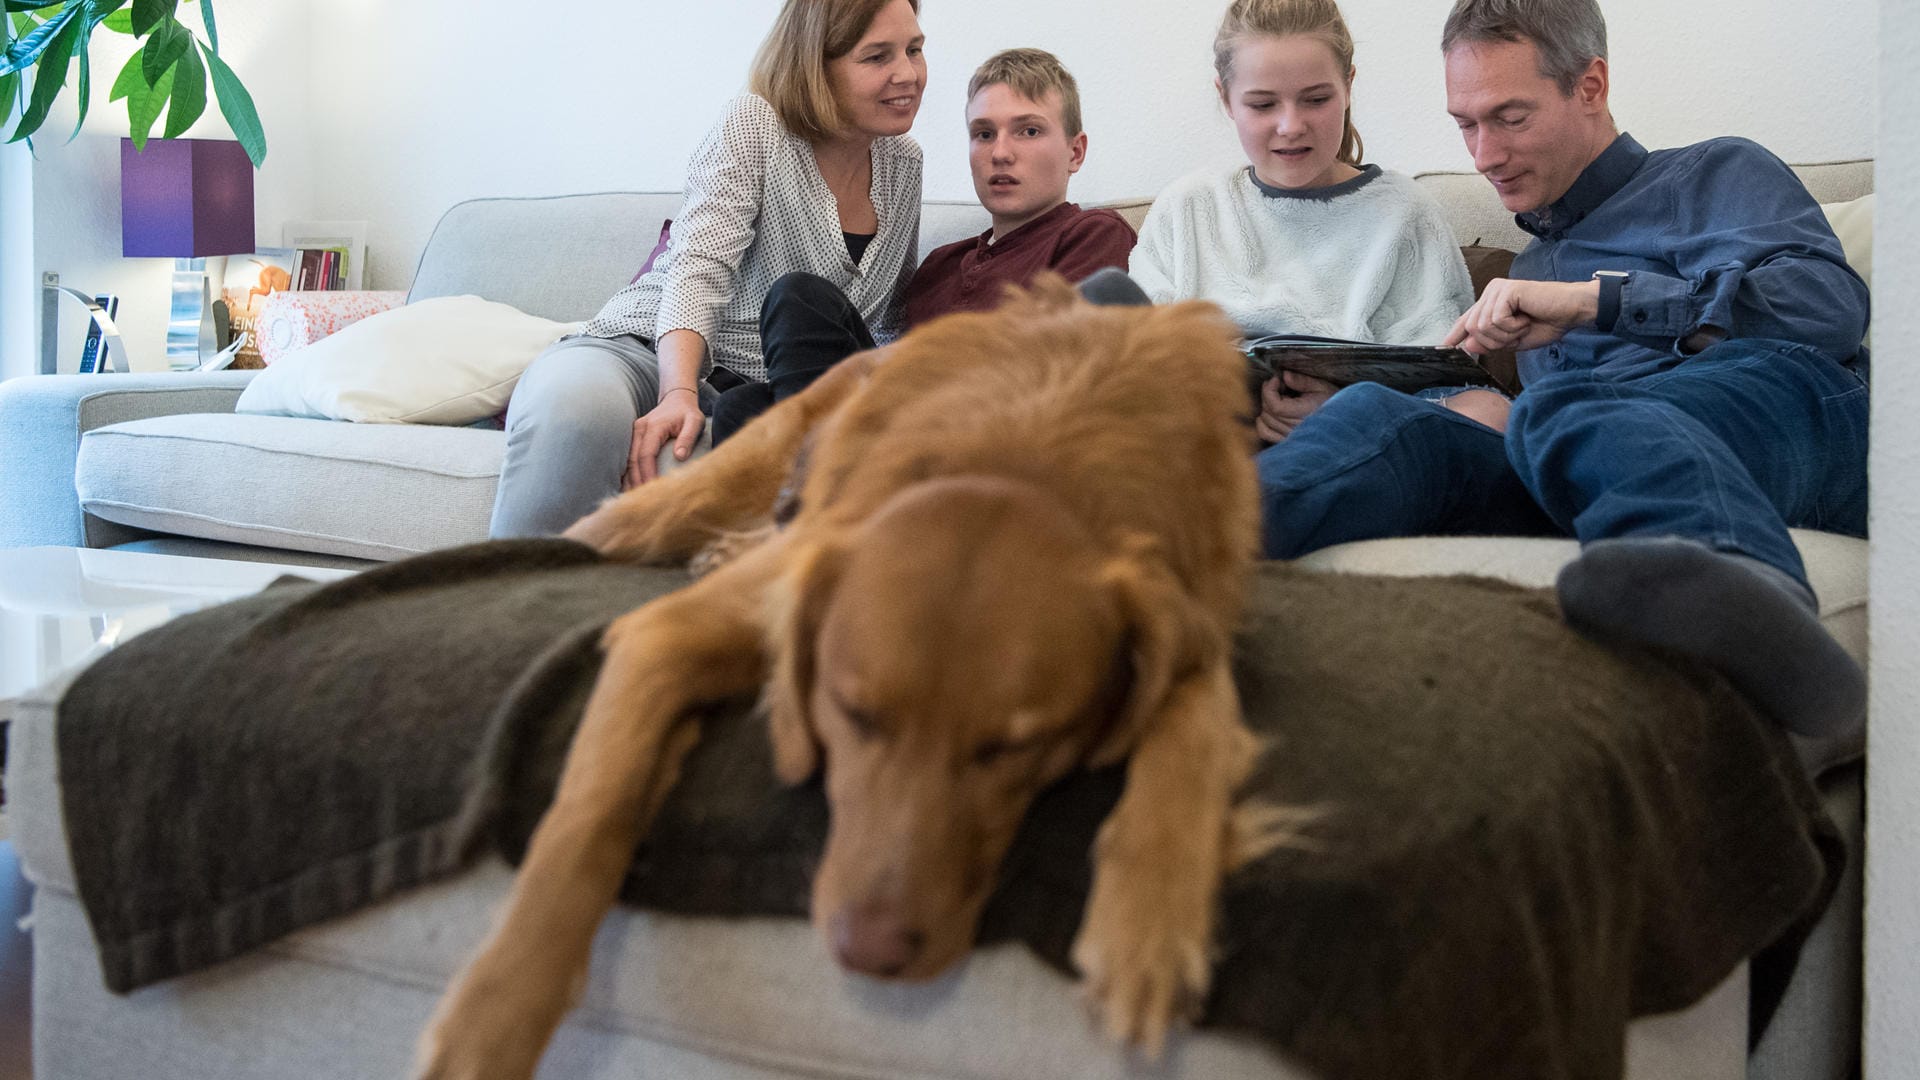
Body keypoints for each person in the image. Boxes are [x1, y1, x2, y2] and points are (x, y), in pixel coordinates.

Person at [1257, 0, 1870, 738]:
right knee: (1385, 421)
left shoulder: (1714, 172)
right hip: (1602, 462)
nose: (1483, 155)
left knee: (1567, 406)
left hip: (1788, 416)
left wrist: (1595, 303)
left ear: (1590, 86)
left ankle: (1756, 599)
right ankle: (1161, 556)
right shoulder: (1536, 255)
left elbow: (1828, 309)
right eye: (1466, 124)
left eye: (1509, 118)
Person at [488, 0, 926, 536]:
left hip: (755, 389)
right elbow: (698, 266)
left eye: (915, 49)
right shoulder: (756, 122)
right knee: (575, 410)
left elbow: (886, 316)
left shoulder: (904, 163)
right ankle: (510, 611)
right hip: (647, 349)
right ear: (817, 66)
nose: (907, 74)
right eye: (877, 57)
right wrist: (678, 392)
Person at [708, 47, 1137, 444]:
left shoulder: (1092, 233)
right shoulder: (940, 265)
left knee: (793, 303)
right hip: (893, 429)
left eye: (1028, 131)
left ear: (1075, 152)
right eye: (984, 134)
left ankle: (813, 486)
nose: (1001, 153)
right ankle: (816, 485)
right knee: (745, 396)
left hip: (987, 434)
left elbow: (1068, 370)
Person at [1108, 0, 1490, 446]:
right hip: (1197, 448)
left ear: (1348, 86)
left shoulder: (1404, 213)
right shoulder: (1188, 208)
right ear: (1225, 99)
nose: (1290, 126)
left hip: (1349, 450)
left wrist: (1342, 413)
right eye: (1263, 104)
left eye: (1316, 99)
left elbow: (1448, 380)